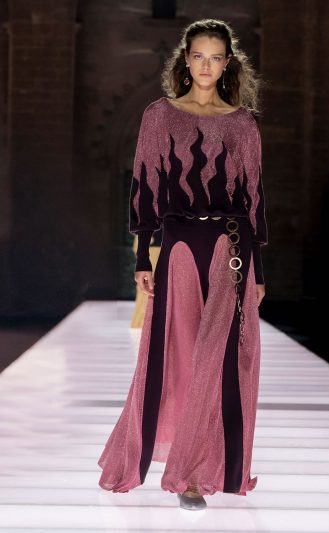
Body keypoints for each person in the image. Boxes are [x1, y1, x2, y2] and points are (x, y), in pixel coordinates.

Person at [97, 18, 268, 511]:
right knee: (178, 355)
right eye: (198, 56)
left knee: (219, 359)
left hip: (229, 251)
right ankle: (171, 461)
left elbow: (254, 200)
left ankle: (193, 475)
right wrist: (142, 256)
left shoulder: (242, 123)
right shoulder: (159, 117)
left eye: (216, 57)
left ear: (228, 63)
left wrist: (258, 272)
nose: (206, 66)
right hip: (178, 250)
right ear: (185, 60)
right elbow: (146, 187)